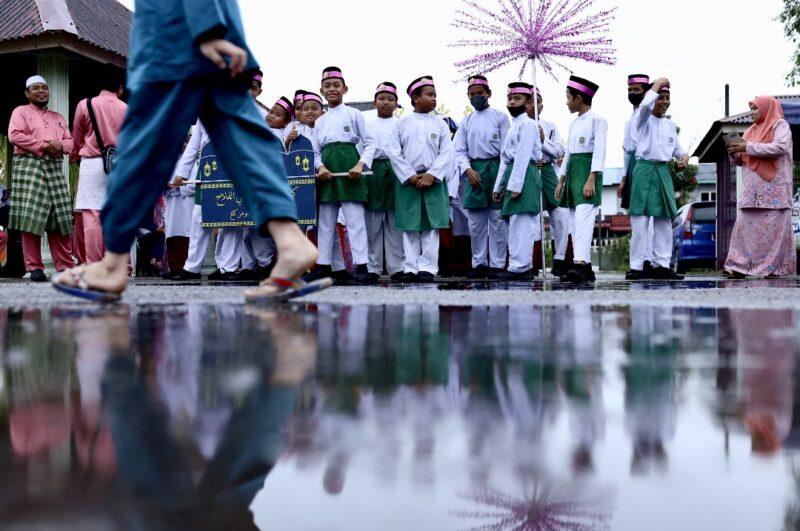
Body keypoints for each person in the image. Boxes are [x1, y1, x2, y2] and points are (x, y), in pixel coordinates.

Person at [53, 0, 325, 302]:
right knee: (244, 143)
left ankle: (113, 262)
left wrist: (206, 27)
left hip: (177, 36)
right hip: (206, 30)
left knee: (142, 145)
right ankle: (290, 241)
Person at [307, 67, 375, 284]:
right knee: (326, 222)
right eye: (327, 86)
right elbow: (315, 151)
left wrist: (360, 164)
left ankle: (361, 266)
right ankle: (324, 266)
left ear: (345, 89)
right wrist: (320, 167)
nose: (332, 89)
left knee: (355, 220)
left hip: (350, 169)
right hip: (328, 171)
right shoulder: (320, 121)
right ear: (322, 90)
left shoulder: (354, 114)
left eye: (336, 85)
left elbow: (371, 143)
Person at [386, 76, 454, 283]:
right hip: (409, 181)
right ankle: (410, 267)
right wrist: (410, 176)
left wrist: (432, 174)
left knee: (431, 227)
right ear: (415, 98)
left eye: (435, 95)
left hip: (434, 180)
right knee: (410, 226)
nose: (434, 99)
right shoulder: (401, 123)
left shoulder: (441, 124)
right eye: (429, 95)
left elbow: (447, 151)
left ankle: (428, 268)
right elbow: (393, 152)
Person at [8, 75, 74, 282]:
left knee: (61, 217)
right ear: (27, 93)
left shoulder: (59, 117)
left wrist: (61, 145)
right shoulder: (20, 111)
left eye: (44, 88)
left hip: (54, 168)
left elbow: (71, 142)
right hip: (29, 165)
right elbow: (14, 135)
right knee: (31, 218)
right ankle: (35, 268)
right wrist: (46, 145)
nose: (41, 91)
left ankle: (65, 267)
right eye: (36, 88)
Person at [724, 96, 796, 278]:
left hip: (775, 191)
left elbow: (780, 147)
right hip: (752, 192)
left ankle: (775, 269)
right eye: (751, 108)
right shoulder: (749, 131)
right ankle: (737, 267)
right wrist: (734, 152)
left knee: (775, 235)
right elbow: (743, 159)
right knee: (743, 229)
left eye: (756, 108)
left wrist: (747, 147)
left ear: (766, 109)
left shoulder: (780, 125)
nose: (752, 112)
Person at [168, 119, 244, 281]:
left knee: (232, 218)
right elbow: (193, 145)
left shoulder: (241, 108)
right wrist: (183, 172)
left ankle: (227, 267)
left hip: (235, 168)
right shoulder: (205, 112)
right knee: (199, 217)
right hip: (208, 169)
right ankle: (192, 267)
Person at [626, 78, 687, 281]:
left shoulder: (670, 125)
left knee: (663, 221)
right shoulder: (641, 118)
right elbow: (644, 105)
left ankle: (662, 264)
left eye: (668, 98)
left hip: (662, 171)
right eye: (661, 97)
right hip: (644, 170)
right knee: (640, 221)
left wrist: (684, 158)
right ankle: (636, 266)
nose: (665, 101)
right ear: (652, 99)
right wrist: (656, 85)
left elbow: (678, 150)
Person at [454, 75, 510, 279]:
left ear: (489, 94)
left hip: (496, 168)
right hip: (473, 171)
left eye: (480, 93)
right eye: (472, 94)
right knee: (475, 223)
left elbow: (506, 150)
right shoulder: (466, 121)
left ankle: (497, 265)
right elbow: (459, 150)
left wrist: (502, 178)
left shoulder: (500, 117)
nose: (477, 97)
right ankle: (478, 264)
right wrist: (468, 170)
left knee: (497, 220)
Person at [71, 71, 128, 266]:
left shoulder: (85, 105)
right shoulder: (127, 108)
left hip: (93, 163)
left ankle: (94, 264)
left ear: (100, 86)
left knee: (93, 215)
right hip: (119, 165)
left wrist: (72, 157)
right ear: (120, 88)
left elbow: (77, 139)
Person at [555, 75, 607, 284]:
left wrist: (592, 178)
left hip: (588, 174)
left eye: (568, 97)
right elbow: (568, 152)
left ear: (579, 98)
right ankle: (582, 265)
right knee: (574, 222)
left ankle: (581, 263)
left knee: (584, 220)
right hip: (573, 174)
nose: (566, 102)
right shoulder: (574, 123)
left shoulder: (598, 120)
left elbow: (599, 151)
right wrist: (561, 179)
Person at [492, 82, 544, 280]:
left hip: (525, 175)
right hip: (514, 173)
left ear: (528, 102)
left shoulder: (529, 125)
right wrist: (499, 186)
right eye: (510, 99)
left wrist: (515, 185)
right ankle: (516, 265)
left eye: (517, 99)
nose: (512, 102)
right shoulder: (513, 127)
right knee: (513, 223)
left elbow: (523, 155)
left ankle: (521, 267)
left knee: (523, 222)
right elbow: (505, 158)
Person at [526, 88, 571, 277]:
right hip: (529, 171)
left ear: (542, 105)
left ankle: (561, 259)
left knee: (560, 214)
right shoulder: (517, 124)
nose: (533, 105)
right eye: (529, 101)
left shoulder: (550, 125)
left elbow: (561, 151)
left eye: (537, 101)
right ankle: (531, 262)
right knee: (531, 219)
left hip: (547, 170)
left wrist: (544, 142)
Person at [364, 82, 404, 282]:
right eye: (381, 98)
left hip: (396, 171)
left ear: (396, 103)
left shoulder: (401, 123)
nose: (386, 102)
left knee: (395, 221)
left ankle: (397, 267)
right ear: (374, 102)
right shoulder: (366, 123)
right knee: (372, 221)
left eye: (390, 99)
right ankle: (373, 267)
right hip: (373, 171)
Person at [618, 74, 655, 278]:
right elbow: (626, 150)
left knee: (649, 215)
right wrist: (623, 178)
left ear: (646, 92)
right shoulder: (629, 121)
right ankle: (642, 261)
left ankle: (647, 261)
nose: (632, 94)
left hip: (648, 165)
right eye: (630, 90)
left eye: (637, 90)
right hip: (633, 166)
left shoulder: (651, 117)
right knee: (638, 217)